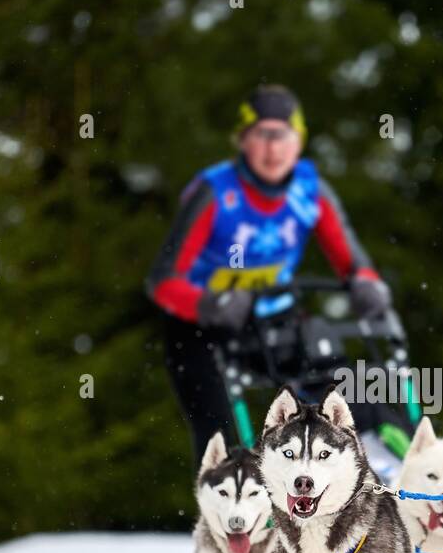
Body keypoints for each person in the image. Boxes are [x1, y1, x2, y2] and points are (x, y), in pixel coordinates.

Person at [146, 85, 392, 461]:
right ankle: (231, 503)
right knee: (220, 429)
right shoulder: (214, 193)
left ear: (299, 143)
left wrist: (367, 286)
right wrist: (209, 306)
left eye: (283, 136)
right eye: (262, 135)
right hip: (202, 328)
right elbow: (162, 281)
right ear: (243, 141)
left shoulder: (312, 192)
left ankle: (408, 473)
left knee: (353, 395)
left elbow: (353, 263)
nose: (273, 148)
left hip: (276, 320)